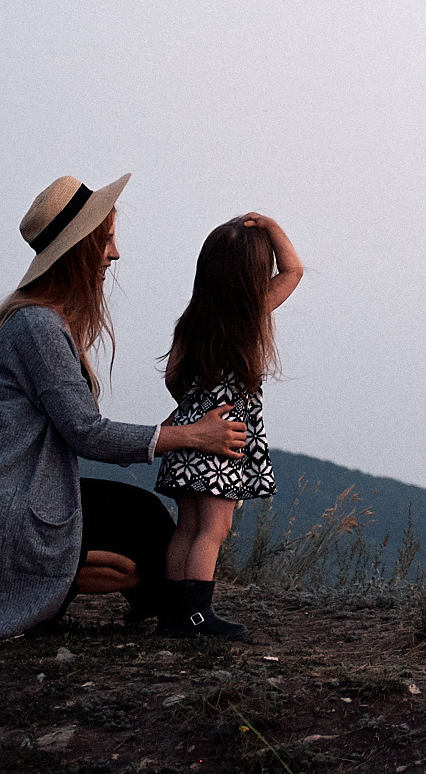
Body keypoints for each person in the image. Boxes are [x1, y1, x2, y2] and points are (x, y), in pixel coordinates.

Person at [0, 174, 250, 644]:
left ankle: (36, 589)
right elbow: (87, 432)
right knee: (143, 531)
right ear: (79, 249)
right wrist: (192, 436)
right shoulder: (38, 327)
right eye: (107, 240)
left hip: (8, 496)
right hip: (5, 507)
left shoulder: (38, 320)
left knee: (143, 521)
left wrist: (176, 430)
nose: (115, 254)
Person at [152, 212, 305, 638]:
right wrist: (272, 227)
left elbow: (173, 378)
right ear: (250, 278)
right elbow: (293, 271)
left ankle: (173, 614)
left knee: (187, 525)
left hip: (187, 433)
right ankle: (197, 615)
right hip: (221, 438)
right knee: (214, 528)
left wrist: (192, 410)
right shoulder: (246, 316)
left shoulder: (192, 322)